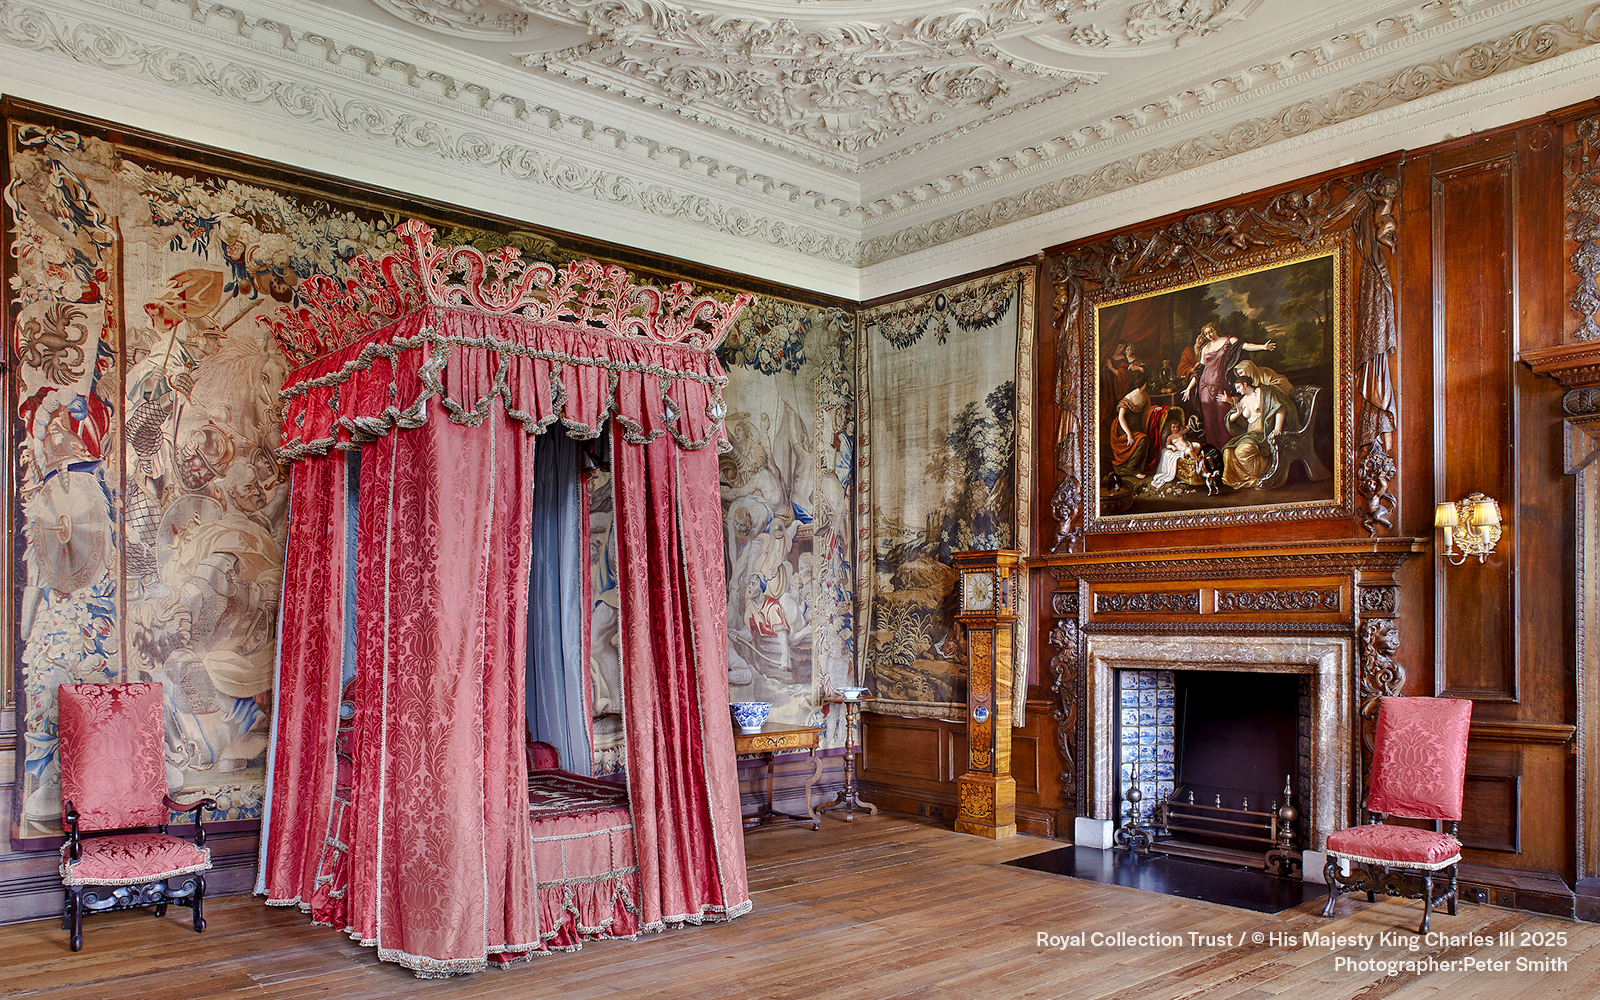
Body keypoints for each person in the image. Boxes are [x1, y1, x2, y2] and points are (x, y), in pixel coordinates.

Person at [1181, 323, 1277, 449]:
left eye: (1211, 331)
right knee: (1209, 422)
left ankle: (1228, 451)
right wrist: (1189, 388)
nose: (1209, 335)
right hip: (1204, 387)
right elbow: (1199, 370)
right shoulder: (1206, 348)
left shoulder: (1229, 340)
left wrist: (1263, 347)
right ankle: (1215, 454)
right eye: (1206, 334)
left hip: (1221, 386)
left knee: (1224, 419)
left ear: (1215, 330)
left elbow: (1245, 346)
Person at [1222, 368, 1298, 488]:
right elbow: (1229, 419)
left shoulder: (1263, 393)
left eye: (1238, 387)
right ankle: (1250, 479)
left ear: (1245, 384)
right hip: (1251, 434)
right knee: (1228, 451)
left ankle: (1259, 474)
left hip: (1263, 433)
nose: (1237, 391)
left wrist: (1277, 428)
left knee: (1241, 451)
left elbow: (1280, 408)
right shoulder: (1243, 400)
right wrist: (1237, 413)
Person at [1109, 369, 1152, 477]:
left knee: (1145, 439)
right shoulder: (1129, 397)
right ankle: (1132, 469)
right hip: (1122, 427)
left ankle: (1135, 467)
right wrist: (1128, 434)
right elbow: (1121, 417)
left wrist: (1154, 409)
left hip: (1135, 425)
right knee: (1143, 439)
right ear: (1144, 383)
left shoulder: (1145, 394)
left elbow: (1147, 409)